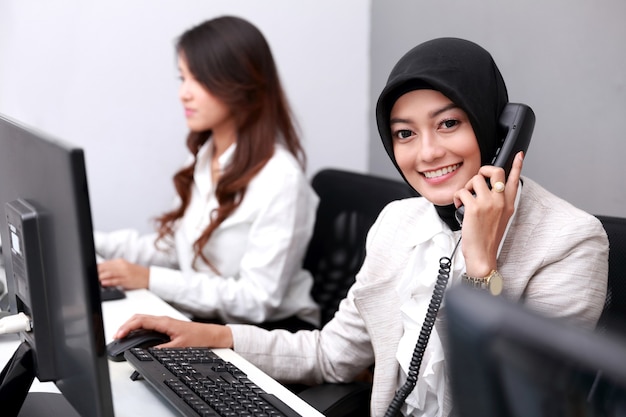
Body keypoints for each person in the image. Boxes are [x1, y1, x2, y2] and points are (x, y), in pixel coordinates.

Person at [111, 38, 608, 416]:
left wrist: (481, 265)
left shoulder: (569, 243)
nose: (428, 152)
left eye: (449, 123)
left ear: (497, 131)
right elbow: (332, 357)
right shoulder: (399, 221)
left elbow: (500, 405)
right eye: (405, 134)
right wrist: (211, 336)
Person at [95, 16, 320, 330]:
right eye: (182, 78)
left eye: (197, 79)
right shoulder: (205, 154)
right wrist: (88, 241)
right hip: (207, 320)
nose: (183, 94)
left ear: (240, 83)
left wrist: (149, 279)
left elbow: (257, 300)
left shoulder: (281, 179)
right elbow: (175, 248)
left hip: (270, 331)